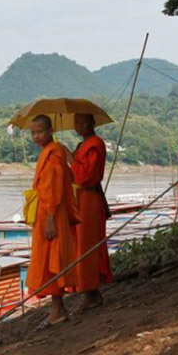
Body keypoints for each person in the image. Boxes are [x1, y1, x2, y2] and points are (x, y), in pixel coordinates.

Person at [26, 114, 80, 329]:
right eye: (33, 133)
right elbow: (69, 177)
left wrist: (50, 218)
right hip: (46, 211)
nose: (36, 136)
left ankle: (57, 311)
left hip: (52, 213)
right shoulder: (50, 153)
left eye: (40, 131)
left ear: (50, 131)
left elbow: (54, 187)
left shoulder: (54, 153)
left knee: (53, 259)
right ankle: (58, 309)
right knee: (48, 259)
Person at [68, 113, 113, 310]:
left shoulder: (96, 144)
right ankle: (88, 291)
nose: (79, 125)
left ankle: (91, 292)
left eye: (83, 122)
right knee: (80, 246)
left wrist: (70, 158)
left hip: (89, 200)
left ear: (93, 123)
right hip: (80, 199)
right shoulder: (82, 146)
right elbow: (75, 174)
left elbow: (86, 176)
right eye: (76, 122)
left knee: (88, 246)